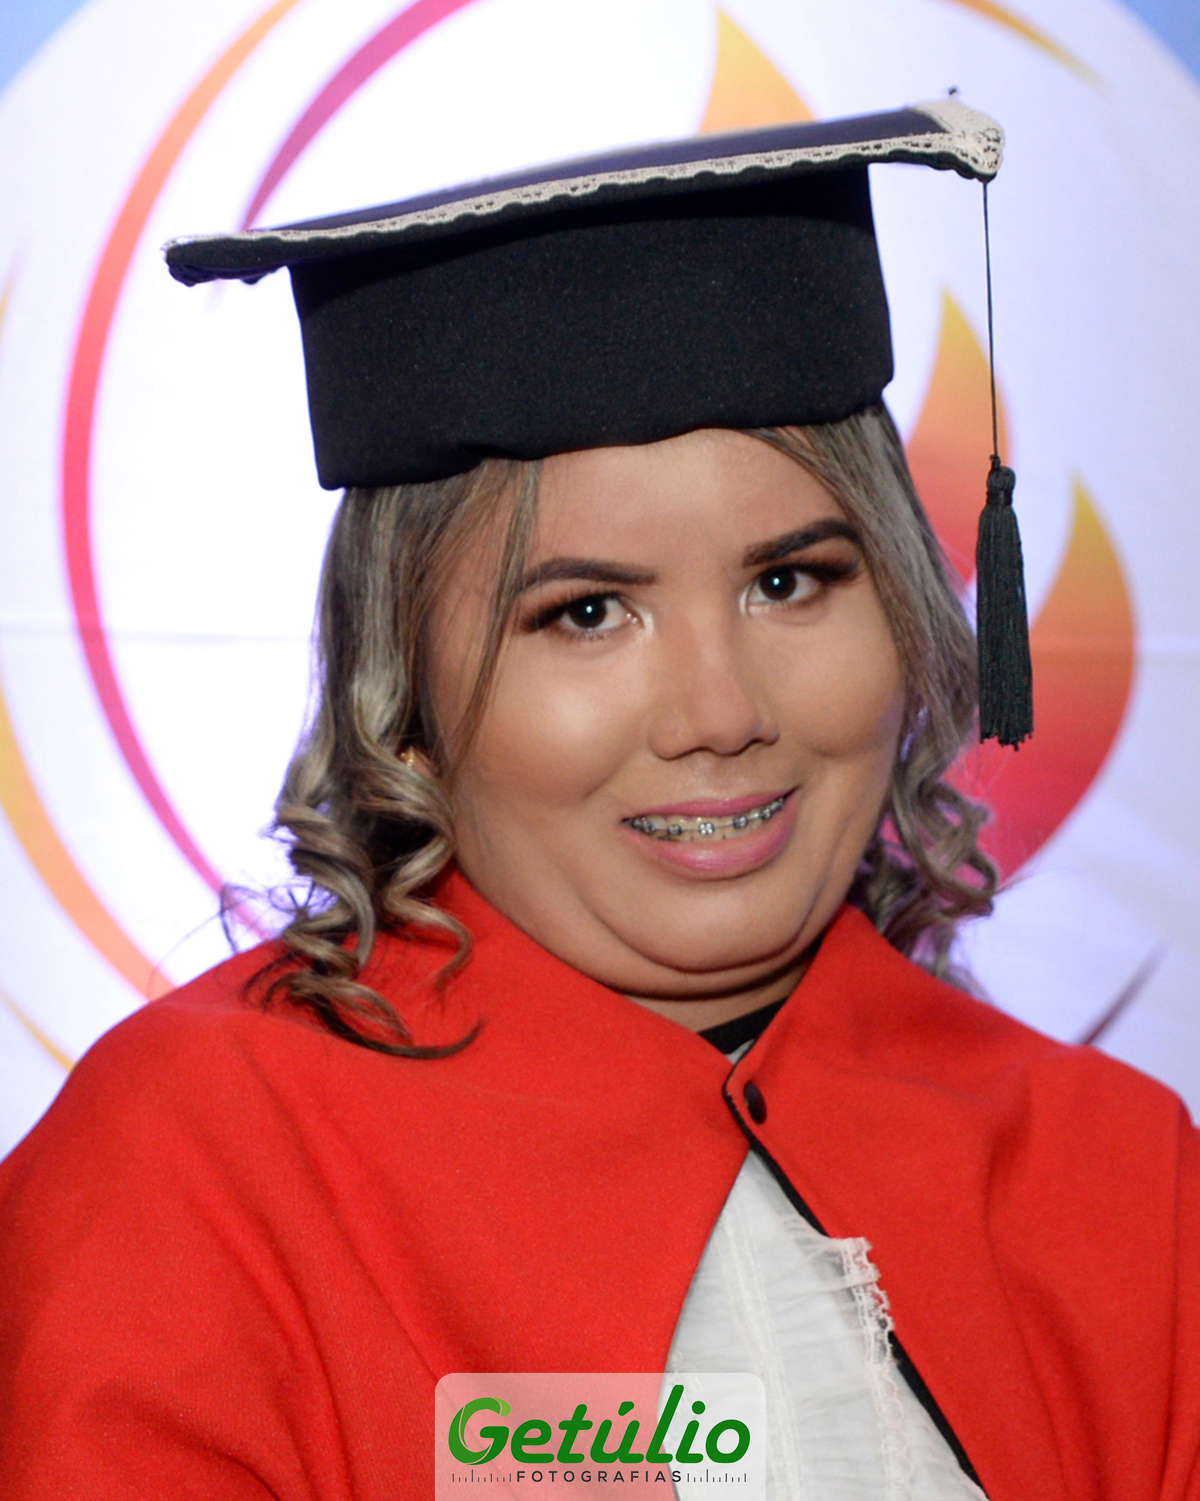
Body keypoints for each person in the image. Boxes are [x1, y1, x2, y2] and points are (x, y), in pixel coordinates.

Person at [1, 103, 1197, 1501]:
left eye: (791, 581)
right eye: (585, 613)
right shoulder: (190, 1167)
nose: (719, 712)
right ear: (405, 689)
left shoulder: (1117, 1172)